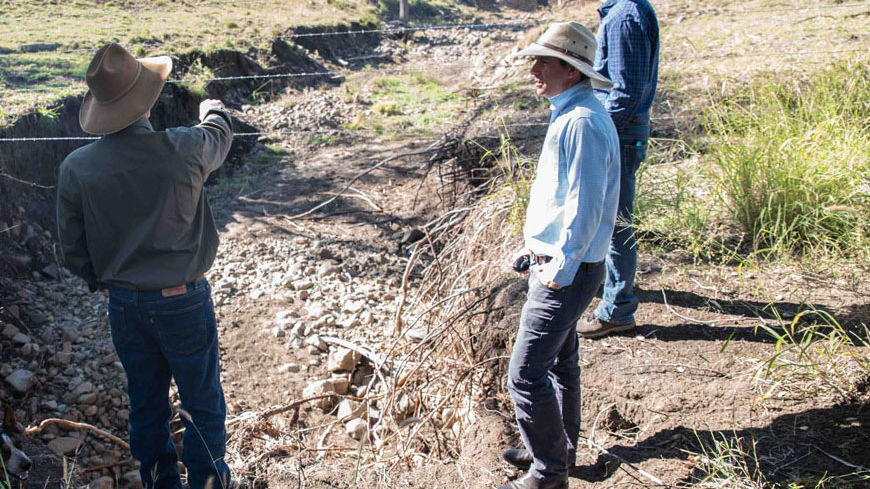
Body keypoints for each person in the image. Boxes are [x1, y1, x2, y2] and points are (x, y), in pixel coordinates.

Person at [56, 42, 233, 489]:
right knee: (202, 401)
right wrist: (215, 109)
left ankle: (159, 482)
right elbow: (218, 136)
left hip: (125, 306)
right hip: (184, 303)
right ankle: (208, 483)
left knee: (146, 402)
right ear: (147, 98)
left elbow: (73, 249)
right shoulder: (182, 147)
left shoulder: (77, 168)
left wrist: (104, 281)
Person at [498, 22, 620, 489]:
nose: (533, 71)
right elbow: (563, 200)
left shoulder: (583, 122)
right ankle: (556, 452)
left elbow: (585, 207)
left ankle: (548, 473)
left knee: (526, 375)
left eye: (542, 62)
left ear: (570, 71)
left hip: (567, 272)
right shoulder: (573, 112)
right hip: (561, 264)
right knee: (562, 363)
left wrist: (559, 268)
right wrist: (535, 248)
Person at [578, 0, 660, 338]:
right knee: (609, 218)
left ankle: (617, 309)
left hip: (620, 133)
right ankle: (604, 288)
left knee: (615, 223)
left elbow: (626, 91)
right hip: (624, 131)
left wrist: (601, 132)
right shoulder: (625, 11)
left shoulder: (624, 16)